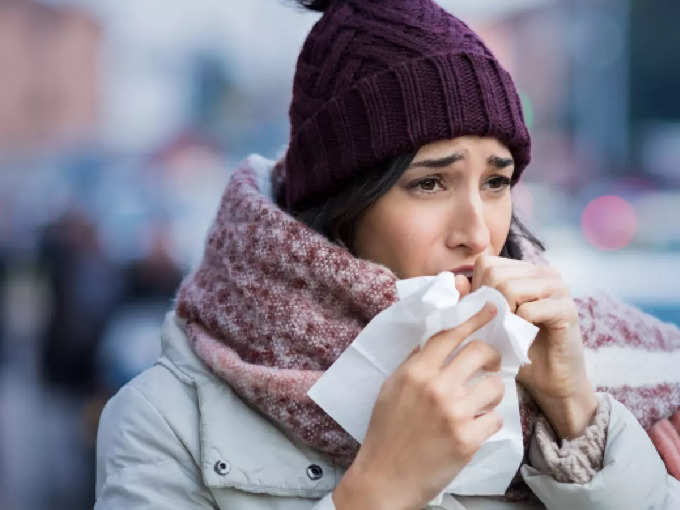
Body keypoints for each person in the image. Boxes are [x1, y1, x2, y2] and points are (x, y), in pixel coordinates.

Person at [94, 1, 680, 508]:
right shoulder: (167, 421)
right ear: (342, 202)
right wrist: (376, 491)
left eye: (496, 182)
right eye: (430, 184)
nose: (477, 232)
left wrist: (576, 415)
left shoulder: (606, 372)